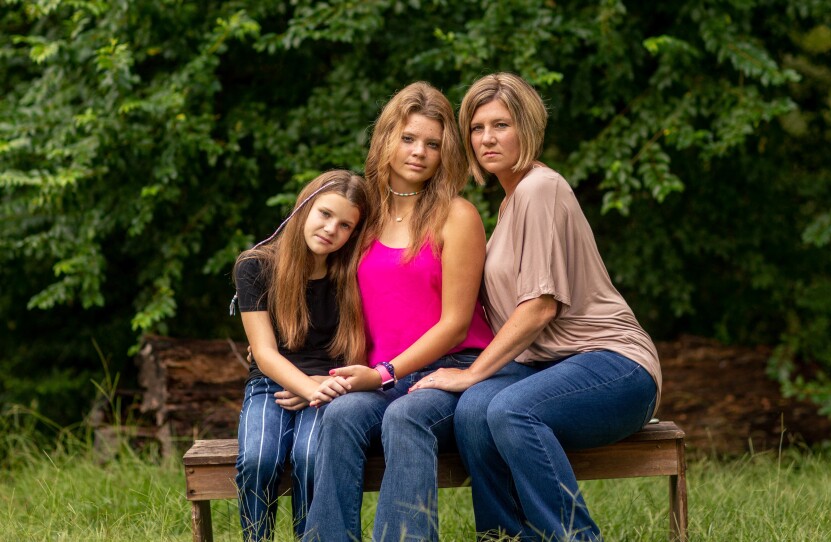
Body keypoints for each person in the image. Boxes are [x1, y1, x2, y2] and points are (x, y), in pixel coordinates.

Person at [410, 72, 662, 541]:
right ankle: (503, 537)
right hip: (548, 369)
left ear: (527, 129)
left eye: (501, 125)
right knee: (472, 412)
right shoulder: (509, 204)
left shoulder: (539, 189)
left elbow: (540, 307)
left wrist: (470, 373)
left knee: (509, 410)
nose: (487, 138)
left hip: (614, 366)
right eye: (477, 127)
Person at [302, 82, 494, 541]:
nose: (419, 152)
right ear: (386, 137)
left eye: (432, 143)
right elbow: (304, 278)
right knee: (341, 415)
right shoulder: (360, 212)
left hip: (449, 375)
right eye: (408, 138)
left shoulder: (457, 215)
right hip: (381, 377)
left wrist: (384, 372)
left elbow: (455, 324)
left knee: (405, 416)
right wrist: (303, 374)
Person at [232, 170, 375, 541]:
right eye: (325, 214)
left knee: (310, 458)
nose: (331, 229)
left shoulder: (352, 273)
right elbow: (263, 353)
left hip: (332, 384)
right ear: (304, 207)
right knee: (258, 458)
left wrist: (320, 386)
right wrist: (307, 387)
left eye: (345, 225)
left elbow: (358, 346)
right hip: (271, 383)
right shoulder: (256, 266)